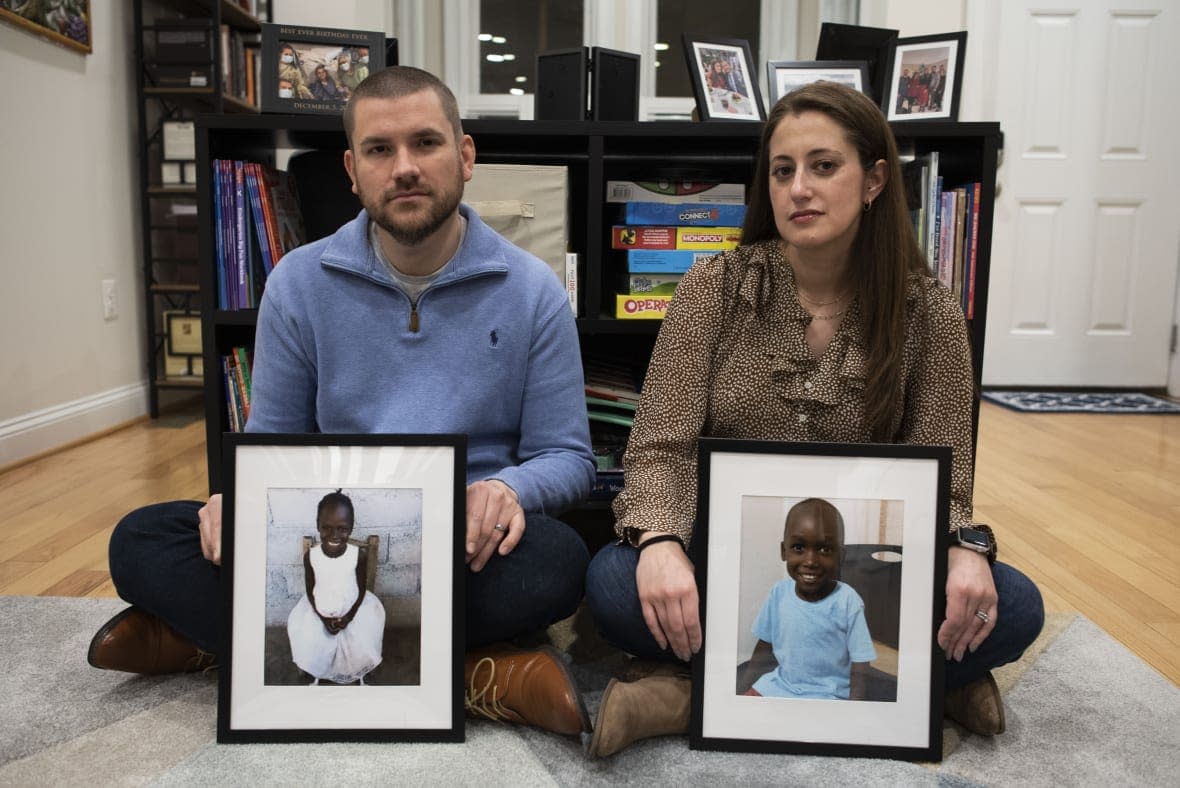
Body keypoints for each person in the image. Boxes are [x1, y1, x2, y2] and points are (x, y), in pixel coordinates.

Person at [88, 66, 598, 738]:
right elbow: (272, 442)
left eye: (426, 143)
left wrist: (508, 490)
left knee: (559, 562)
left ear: (466, 156)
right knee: (141, 540)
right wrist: (234, 503)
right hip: (333, 524)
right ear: (352, 171)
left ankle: (212, 641)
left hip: (461, 546)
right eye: (380, 151)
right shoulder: (299, 283)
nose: (406, 168)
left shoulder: (533, 291)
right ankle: (483, 670)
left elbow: (568, 457)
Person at [583, 81, 1044, 757]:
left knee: (1014, 604)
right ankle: (933, 687)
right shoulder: (713, 287)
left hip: (864, 573)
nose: (799, 188)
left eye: (823, 166)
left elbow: (946, 474)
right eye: (782, 170)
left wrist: (965, 550)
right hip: (722, 554)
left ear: (874, 180)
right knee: (613, 588)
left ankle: (684, 691)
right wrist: (659, 543)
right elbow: (659, 446)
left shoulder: (931, 313)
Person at [737, 498, 876, 700]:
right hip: (780, 685)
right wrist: (742, 692)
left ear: (841, 556)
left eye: (825, 550)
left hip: (828, 695)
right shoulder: (778, 593)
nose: (810, 561)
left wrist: (855, 712)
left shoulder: (848, 601)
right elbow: (764, 646)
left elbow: (861, 664)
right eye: (799, 548)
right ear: (784, 551)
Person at [286, 490, 385, 686]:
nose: (334, 535)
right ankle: (318, 670)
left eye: (342, 528)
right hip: (319, 609)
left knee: (361, 641)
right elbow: (310, 589)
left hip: (353, 608)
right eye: (327, 528)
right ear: (318, 526)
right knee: (310, 640)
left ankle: (357, 672)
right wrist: (323, 618)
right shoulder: (311, 557)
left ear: (351, 527)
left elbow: (362, 589)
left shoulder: (359, 556)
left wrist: (348, 617)